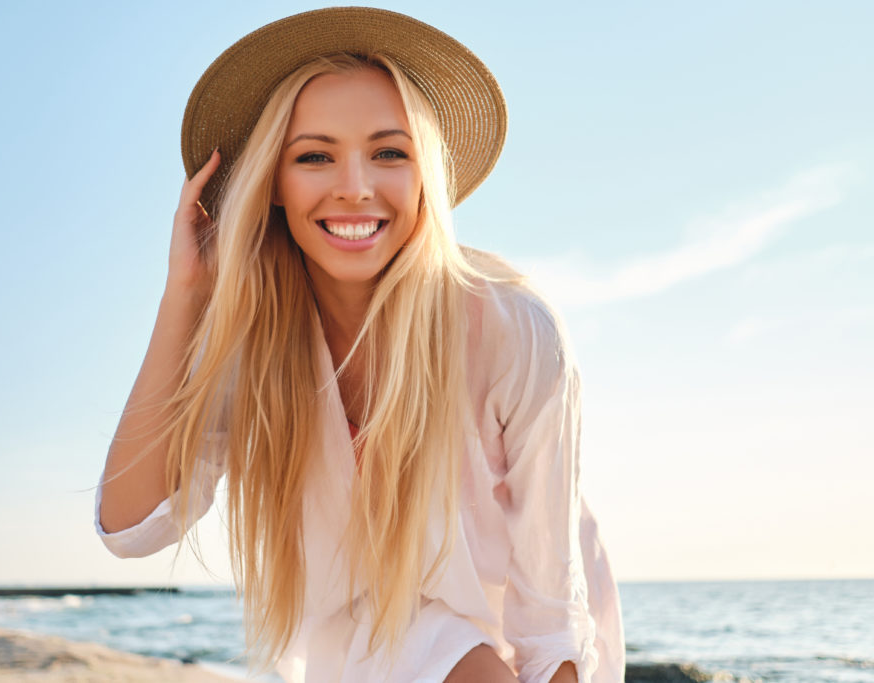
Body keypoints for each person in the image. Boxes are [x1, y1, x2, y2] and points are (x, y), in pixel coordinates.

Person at [94, 7, 624, 682]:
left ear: (426, 172)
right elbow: (132, 525)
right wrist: (186, 298)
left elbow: (548, 620)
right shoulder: (254, 340)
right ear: (274, 183)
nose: (354, 185)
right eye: (314, 155)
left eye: (389, 152)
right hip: (364, 648)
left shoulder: (512, 329)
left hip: (522, 630)